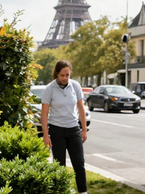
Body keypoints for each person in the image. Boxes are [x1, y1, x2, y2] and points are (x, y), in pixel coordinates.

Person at [41, 60, 88, 194]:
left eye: (67, 75)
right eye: (62, 75)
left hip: (73, 129)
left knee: (79, 163)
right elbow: (44, 114)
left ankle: (83, 192)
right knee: (59, 165)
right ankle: (61, 191)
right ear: (56, 73)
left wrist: (83, 129)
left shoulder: (75, 86)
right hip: (57, 130)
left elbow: (80, 108)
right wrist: (46, 134)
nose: (65, 78)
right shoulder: (49, 89)